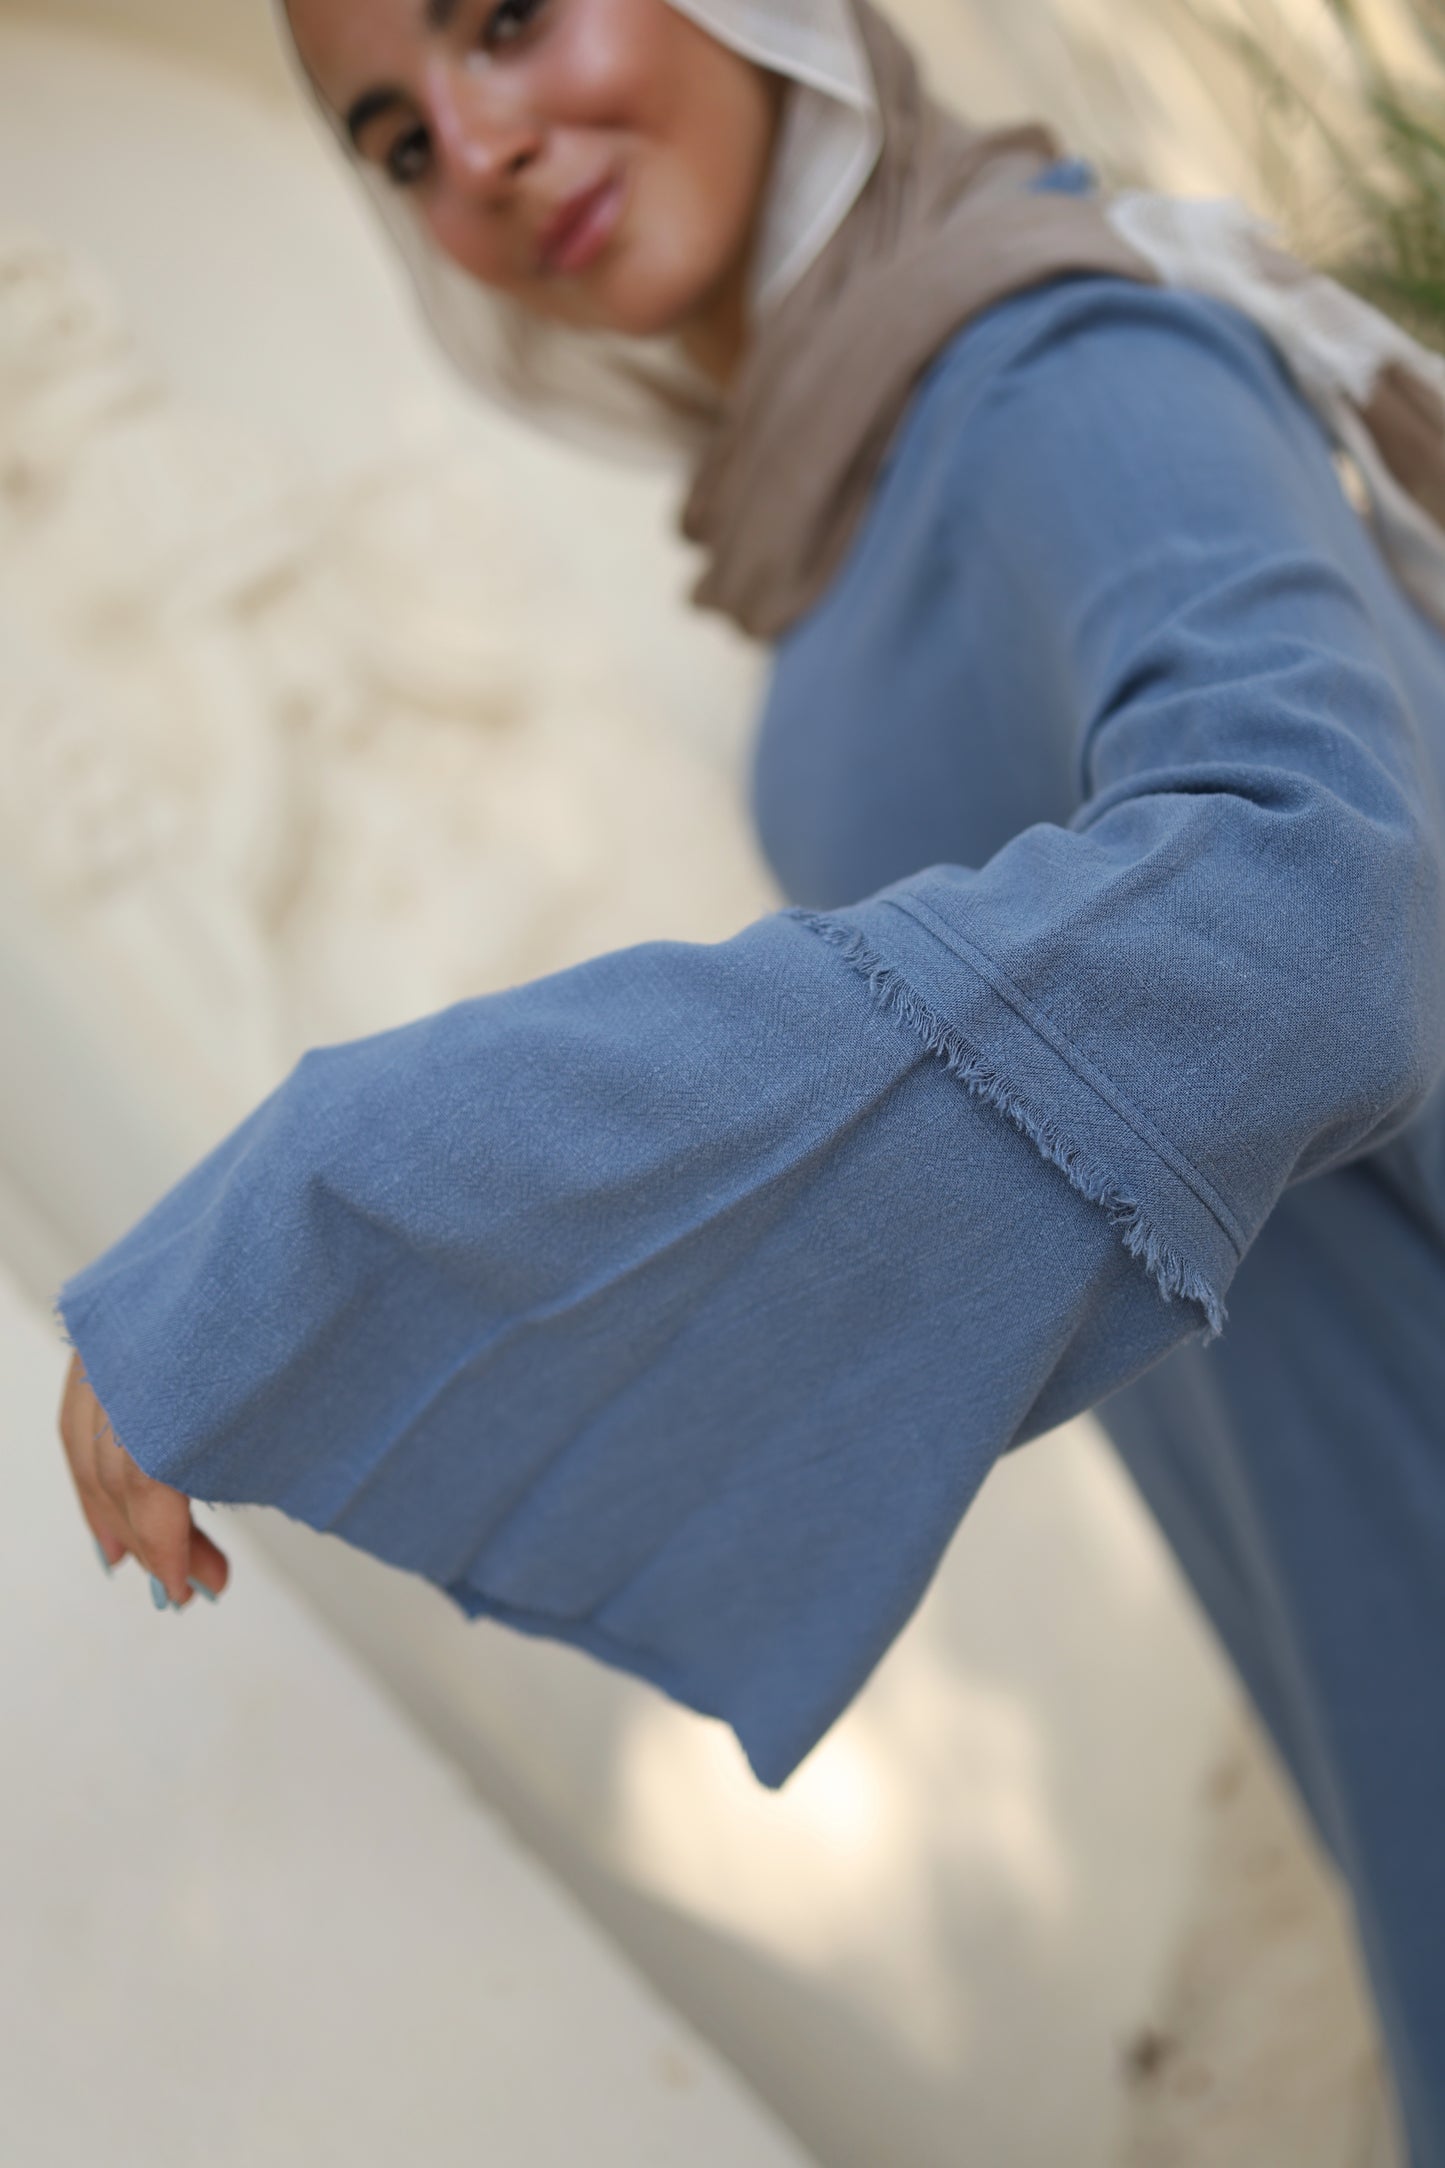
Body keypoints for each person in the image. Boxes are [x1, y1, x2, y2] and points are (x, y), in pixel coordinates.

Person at [54, 0, 1445, 2153]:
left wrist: (357, 1182)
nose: (481, 147)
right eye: (398, 140)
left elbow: (1320, 908)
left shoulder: (1063, 372)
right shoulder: (850, 515)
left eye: (506, 21)